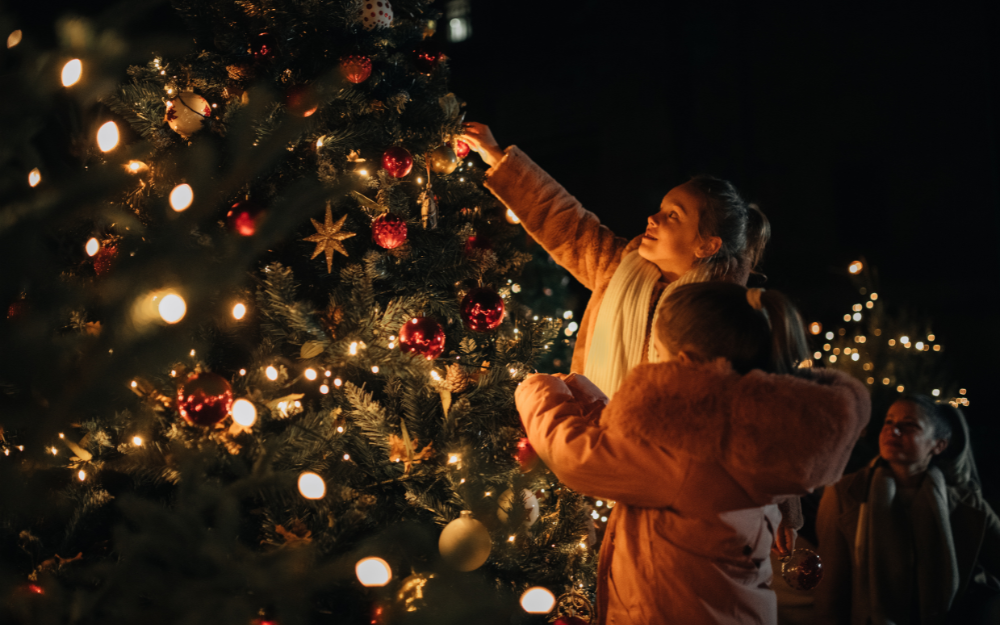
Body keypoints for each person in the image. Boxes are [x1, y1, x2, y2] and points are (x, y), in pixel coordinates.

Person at [514, 283, 871, 625]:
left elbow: (576, 455)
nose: (653, 362)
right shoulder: (745, 429)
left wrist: (537, 388)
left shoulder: (688, 454)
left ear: (683, 361)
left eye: (658, 354)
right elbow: (639, 448)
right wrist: (585, 397)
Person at [460, 122, 769, 399]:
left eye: (673, 215)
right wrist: (497, 157)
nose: (652, 218)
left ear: (706, 245)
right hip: (595, 441)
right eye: (661, 208)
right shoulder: (618, 267)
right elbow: (564, 220)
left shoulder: (726, 322)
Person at [815, 395, 1000, 625]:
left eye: (909, 425)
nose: (893, 431)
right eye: (889, 422)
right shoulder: (846, 494)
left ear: (938, 445)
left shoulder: (967, 504)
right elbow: (830, 592)